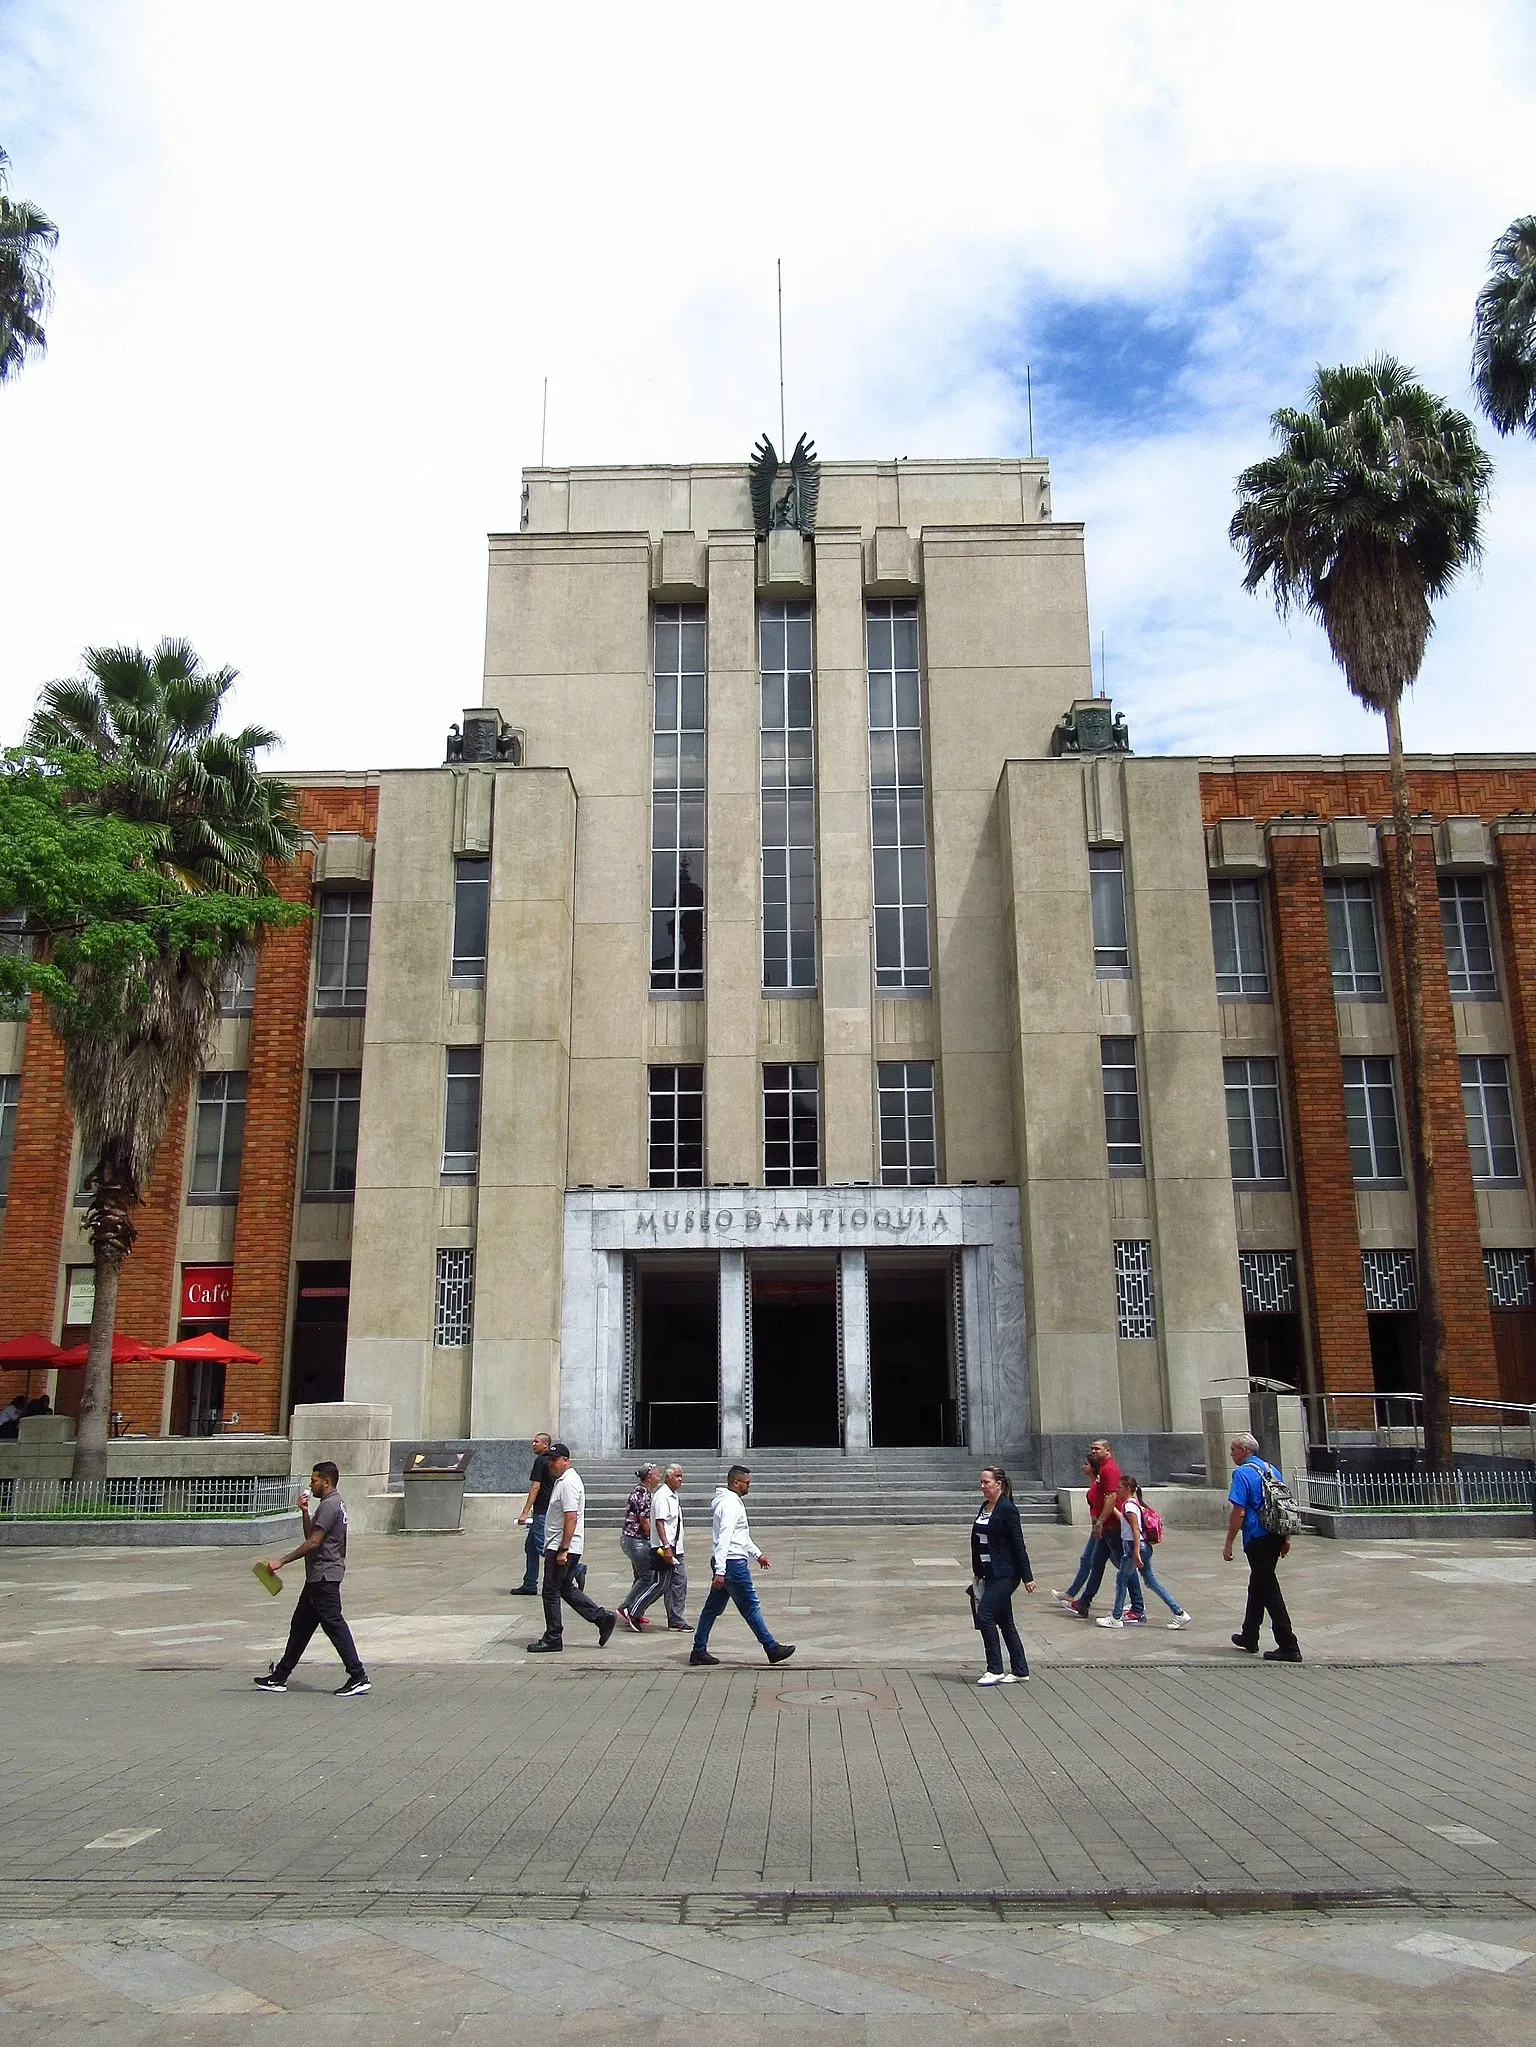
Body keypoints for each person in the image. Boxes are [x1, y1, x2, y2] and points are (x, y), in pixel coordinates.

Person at [254, 1462, 370, 1696]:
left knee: (334, 1625)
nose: (310, 1484)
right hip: (318, 1576)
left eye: (314, 1480)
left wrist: (282, 1561)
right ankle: (280, 1676)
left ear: (326, 1482)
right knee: (300, 1627)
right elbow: (313, 1535)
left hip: (324, 1576)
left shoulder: (330, 1505)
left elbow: (314, 1543)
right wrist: (304, 1512)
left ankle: (358, 1676)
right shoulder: (330, 1504)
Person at [690, 1464, 794, 1667]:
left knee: (711, 1609)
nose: (749, 1486)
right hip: (732, 1563)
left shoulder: (732, 1503)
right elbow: (725, 1538)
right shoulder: (730, 1505)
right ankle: (771, 1647)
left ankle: (699, 1649)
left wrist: (757, 1554)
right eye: (747, 1482)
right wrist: (720, 1570)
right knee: (750, 1606)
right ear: (735, 1483)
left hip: (729, 1561)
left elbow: (741, 1536)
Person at [527, 1442, 617, 1654]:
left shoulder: (568, 1483)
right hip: (562, 1544)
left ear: (566, 1460)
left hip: (562, 1546)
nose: (551, 1463)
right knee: (565, 1588)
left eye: (555, 1459)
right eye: (549, 1459)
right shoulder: (563, 1481)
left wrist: (563, 1549)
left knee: (550, 1592)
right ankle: (602, 1618)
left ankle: (553, 1637)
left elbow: (571, 1517)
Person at [1224, 1433, 1302, 1662]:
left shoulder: (1242, 1474)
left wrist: (1229, 1542)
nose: (1231, 1454)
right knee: (1258, 1583)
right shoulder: (1271, 1469)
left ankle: (1289, 1644)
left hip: (1257, 1536)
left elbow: (1238, 1512)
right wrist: (1285, 1537)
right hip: (1275, 1534)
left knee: (1269, 1589)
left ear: (1244, 1451)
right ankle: (1249, 1634)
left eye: (1233, 1449)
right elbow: (1284, 1504)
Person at [1095, 1474, 1190, 1629]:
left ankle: (1116, 1617)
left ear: (1127, 1488)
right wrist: (1112, 1508)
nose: (1117, 1490)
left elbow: (1135, 1530)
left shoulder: (1129, 1506)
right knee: (1151, 1582)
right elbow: (1126, 1522)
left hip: (1135, 1547)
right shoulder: (1132, 1505)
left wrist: (1136, 1552)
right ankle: (1179, 1613)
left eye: (1119, 1487)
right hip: (1140, 1547)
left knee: (1121, 1579)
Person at [971, 1464, 1036, 1685]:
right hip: (989, 1573)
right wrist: (978, 1573)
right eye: (981, 1482)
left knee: (985, 1617)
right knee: (1006, 1622)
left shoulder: (1007, 1509)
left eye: (986, 1483)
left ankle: (995, 1668)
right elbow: (978, 1541)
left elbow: (1019, 1544)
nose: (982, 1486)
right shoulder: (985, 1507)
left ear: (998, 1484)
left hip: (1006, 1573)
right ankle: (1020, 1669)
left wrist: (1027, 1576)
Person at [1061, 1440, 1139, 1620]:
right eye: (1092, 1449)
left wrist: (1100, 1522)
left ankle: (1137, 1607)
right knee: (1095, 1564)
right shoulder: (1103, 1469)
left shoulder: (1109, 1470)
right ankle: (1083, 1603)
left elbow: (1111, 1498)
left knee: (1124, 1567)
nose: (1093, 1451)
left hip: (1113, 1527)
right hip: (1106, 1528)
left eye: (1097, 1448)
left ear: (1108, 1450)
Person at [629, 1462, 687, 1630]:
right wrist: (666, 1546)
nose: (680, 1479)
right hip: (665, 1548)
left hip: (675, 1547)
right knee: (659, 1584)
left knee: (678, 1583)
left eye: (681, 1476)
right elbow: (659, 1523)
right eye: (677, 1476)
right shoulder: (662, 1496)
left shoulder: (673, 1495)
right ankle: (634, 1611)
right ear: (668, 1478)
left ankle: (675, 1619)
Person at [1050, 1453, 1101, 1606]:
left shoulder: (1099, 1483)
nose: (1083, 1466)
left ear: (1093, 1468)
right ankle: (1071, 1594)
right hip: (1097, 1528)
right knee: (1087, 1560)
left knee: (1121, 1565)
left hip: (1102, 1529)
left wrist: (1099, 1524)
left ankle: (1137, 1601)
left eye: (1086, 1464)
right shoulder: (1095, 1483)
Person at [617, 1463, 662, 1630]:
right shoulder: (643, 1494)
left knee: (639, 1576)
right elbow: (644, 1520)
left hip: (630, 1539)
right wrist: (655, 1541)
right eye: (657, 1475)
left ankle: (634, 1608)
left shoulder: (640, 1491)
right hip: (637, 1540)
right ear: (649, 1477)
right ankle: (628, 1607)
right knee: (647, 1577)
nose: (659, 1478)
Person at [512, 1431, 555, 1597]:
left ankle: (575, 1569)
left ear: (545, 1445)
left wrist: (524, 1512)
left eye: (536, 1442)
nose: (533, 1444)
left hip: (542, 1510)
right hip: (547, 1509)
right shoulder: (552, 1461)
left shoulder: (540, 1461)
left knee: (543, 1547)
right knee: (531, 1547)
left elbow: (535, 1487)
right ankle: (530, 1583)